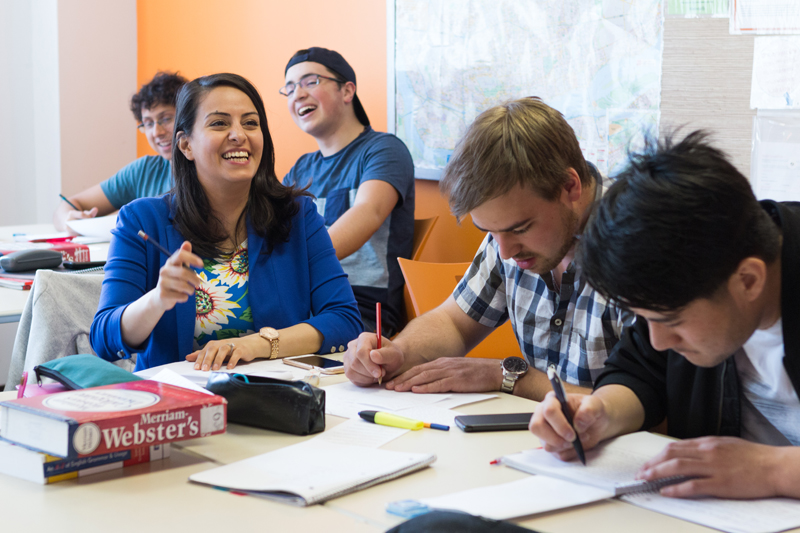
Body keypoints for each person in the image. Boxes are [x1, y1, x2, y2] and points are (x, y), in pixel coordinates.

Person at [531, 131, 800, 500]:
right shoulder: (679, 284)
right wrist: (599, 413)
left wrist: (772, 470)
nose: (659, 340)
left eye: (672, 322)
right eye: (645, 317)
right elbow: (642, 369)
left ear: (748, 281)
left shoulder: (708, 264)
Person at [345, 97, 631, 401]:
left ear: (569, 186)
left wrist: (507, 376)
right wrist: (397, 352)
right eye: (490, 232)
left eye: (520, 229)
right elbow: (453, 323)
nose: (505, 251)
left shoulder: (637, 243)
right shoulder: (506, 230)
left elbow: (641, 403)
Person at [90, 73, 363, 372]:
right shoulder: (141, 220)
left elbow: (344, 319)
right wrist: (156, 299)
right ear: (185, 146)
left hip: (276, 395)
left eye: (250, 123)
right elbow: (104, 339)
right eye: (219, 123)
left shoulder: (298, 215)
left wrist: (257, 344)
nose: (239, 134)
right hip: (178, 402)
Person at [281, 47, 415, 338]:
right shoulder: (300, 168)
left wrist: (292, 265)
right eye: (289, 88)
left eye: (310, 81)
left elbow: (368, 212)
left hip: (361, 308)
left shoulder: (384, 149)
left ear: (347, 90)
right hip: (302, 303)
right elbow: (271, 228)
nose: (298, 94)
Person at [53, 72, 187, 231]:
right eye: (148, 123)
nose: (156, 132)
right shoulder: (144, 170)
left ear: (187, 117)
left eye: (165, 119)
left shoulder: (208, 170)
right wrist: (68, 222)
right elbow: (68, 205)